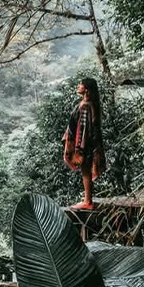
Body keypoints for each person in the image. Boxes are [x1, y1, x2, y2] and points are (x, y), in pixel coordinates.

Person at [63, 78, 107, 210]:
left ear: (86, 89)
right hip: (88, 142)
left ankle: (87, 201)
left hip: (84, 143)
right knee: (85, 170)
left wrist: (79, 147)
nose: (78, 86)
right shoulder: (89, 104)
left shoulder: (86, 106)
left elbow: (83, 128)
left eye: (81, 85)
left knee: (86, 170)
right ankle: (87, 200)